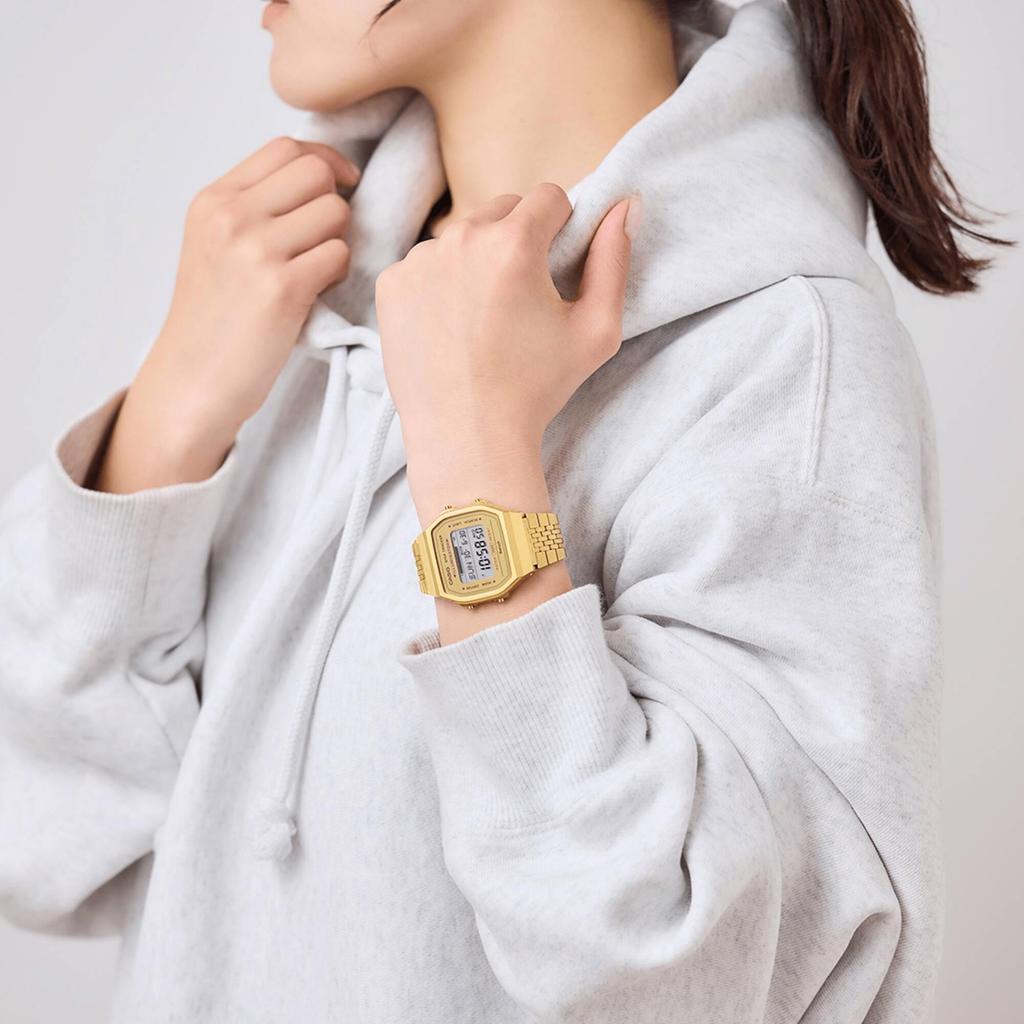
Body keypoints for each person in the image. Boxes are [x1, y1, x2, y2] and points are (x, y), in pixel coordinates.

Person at [0, 0, 1013, 1020]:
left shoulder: (778, 359)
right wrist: (166, 419)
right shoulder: (288, 291)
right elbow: (36, 844)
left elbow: (693, 985)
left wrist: (476, 470)